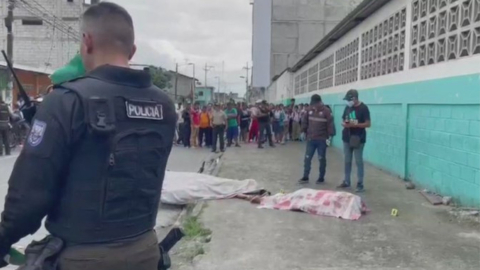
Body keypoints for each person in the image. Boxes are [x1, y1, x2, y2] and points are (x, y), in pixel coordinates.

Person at [0, 2, 177, 270]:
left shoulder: (65, 101)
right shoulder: (163, 105)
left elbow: (29, 196)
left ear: (86, 41)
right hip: (145, 252)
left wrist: (4, 239)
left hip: (83, 259)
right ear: (132, 50)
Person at [337, 89, 371, 192]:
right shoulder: (348, 107)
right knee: (347, 160)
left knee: (358, 161)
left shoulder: (363, 108)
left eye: (349, 100)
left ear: (355, 99)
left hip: (358, 138)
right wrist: (344, 124)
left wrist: (355, 125)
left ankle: (360, 183)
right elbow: (344, 119)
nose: (348, 102)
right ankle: (346, 181)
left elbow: (368, 124)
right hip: (347, 137)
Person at [298, 94, 334, 184]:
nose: (313, 106)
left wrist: (329, 140)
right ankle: (305, 177)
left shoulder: (326, 111)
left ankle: (321, 177)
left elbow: (330, 126)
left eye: (314, 104)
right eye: (312, 104)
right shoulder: (309, 110)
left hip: (322, 140)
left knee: (321, 158)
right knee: (307, 158)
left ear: (319, 102)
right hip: (311, 139)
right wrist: (303, 131)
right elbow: (305, 121)